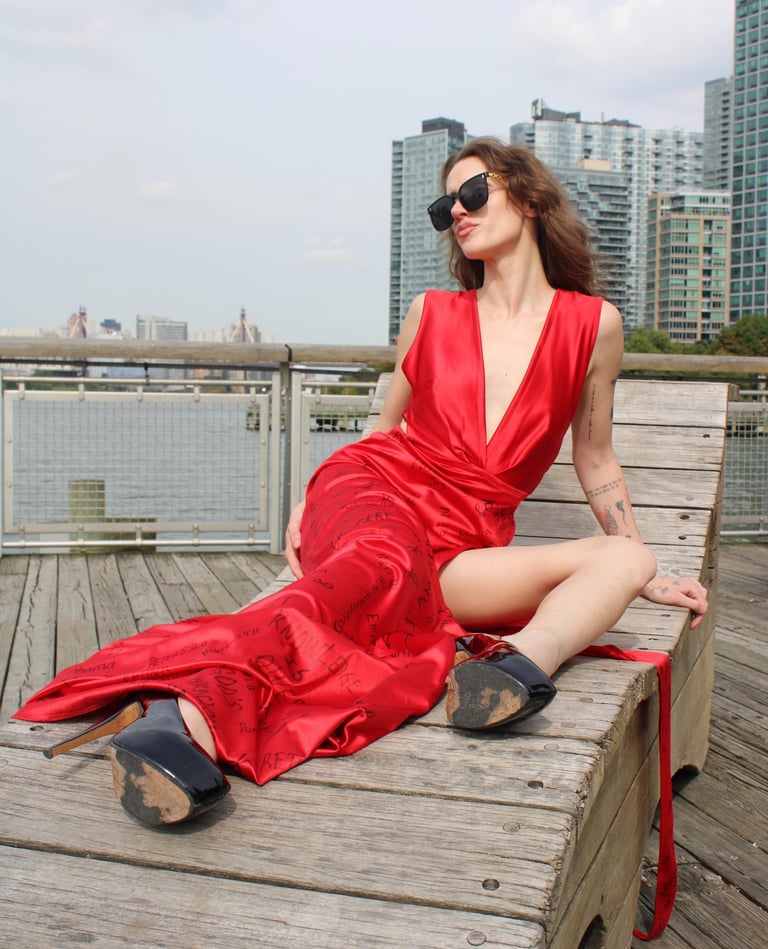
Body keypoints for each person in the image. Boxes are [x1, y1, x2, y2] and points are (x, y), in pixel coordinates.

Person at [13, 137, 708, 827]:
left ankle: (515, 669)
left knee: (628, 557)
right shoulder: (432, 314)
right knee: (378, 565)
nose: (457, 214)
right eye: (445, 208)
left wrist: (646, 576)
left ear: (528, 196)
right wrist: (311, 501)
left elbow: (596, 458)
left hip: (465, 544)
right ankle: (180, 716)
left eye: (472, 193)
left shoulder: (594, 326)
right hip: (378, 491)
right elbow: (380, 437)